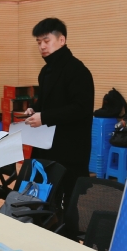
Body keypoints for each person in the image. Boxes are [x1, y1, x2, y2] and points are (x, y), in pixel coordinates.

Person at [24, 17, 94, 208]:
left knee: (69, 200)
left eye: (46, 41)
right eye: (39, 42)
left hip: (70, 147)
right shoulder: (46, 71)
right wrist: (34, 109)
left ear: (61, 40)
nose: (42, 46)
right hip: (47, 144)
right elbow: (46, 102)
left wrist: (44, 117)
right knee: (44, 196)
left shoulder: (77, 70)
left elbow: (81, 108)